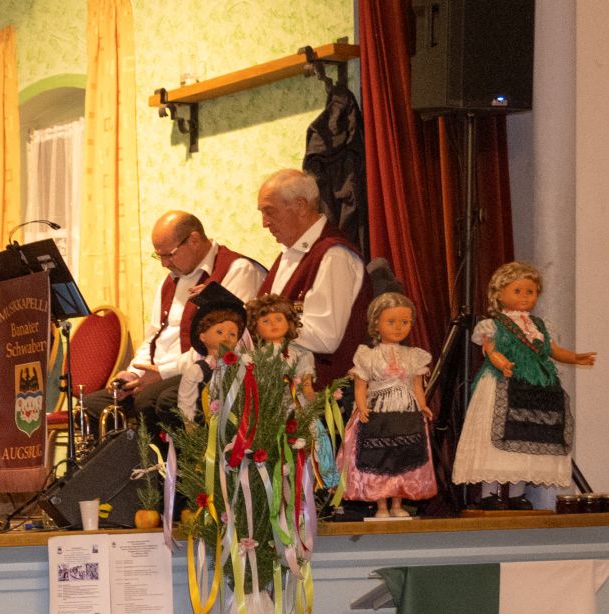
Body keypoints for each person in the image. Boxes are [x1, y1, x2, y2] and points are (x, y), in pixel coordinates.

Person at [86, 212, 265, 432]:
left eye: (169, 255)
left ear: (194, 239)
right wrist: (134, 373)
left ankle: (157, 455)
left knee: (150, 400)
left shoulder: (237, 270)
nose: (164, 263)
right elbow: (154, 336)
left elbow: (226, 343)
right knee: (91, 406)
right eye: (159, 256)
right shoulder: (170, 280)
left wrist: (163, 372)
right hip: (158, 374)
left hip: (199, 372)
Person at [452, 260, 596, 498]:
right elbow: (490, 349)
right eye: (517, 290)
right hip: (502, 384)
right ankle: (490, 495)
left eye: (530, 291)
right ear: (499, 294)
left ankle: (517, 495)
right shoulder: (492, 325)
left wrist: (575, 357)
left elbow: (553, 350)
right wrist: (500, 361)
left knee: (527, 438)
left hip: (535, 390)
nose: (525, 296)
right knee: (498, 436)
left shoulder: (539, 326)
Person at [255, 168, 369, 383]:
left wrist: (264, 323)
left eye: (269, 211)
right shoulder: (290, 254)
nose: (264, 222)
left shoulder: (334, 256)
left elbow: (325, 337)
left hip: (318, 393)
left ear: (300, 206)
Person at [342, 292, 437, 520]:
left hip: (406, 414)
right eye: (391, 322)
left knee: (403, 458)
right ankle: (381, 505)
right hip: (378, 414)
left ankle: (397, 503)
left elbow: (417, 385)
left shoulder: (413, 356)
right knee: (378, 457)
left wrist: (422, 405)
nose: (398, 327)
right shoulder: (369, 355)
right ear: (376, 323)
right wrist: (361, 406)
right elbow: (361, 385)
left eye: (404, 322)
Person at [174, 284, 249, 423]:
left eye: (232, 334)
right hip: (203, 427)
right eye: (219, 332)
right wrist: (190, 425)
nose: (226, 337)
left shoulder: (241, 367)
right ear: (202, 336)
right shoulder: (198, 370)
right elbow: (186, 402)